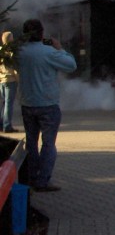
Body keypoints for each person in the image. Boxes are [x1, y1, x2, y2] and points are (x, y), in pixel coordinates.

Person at [17, 19, 77, 192]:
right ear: (42, 33)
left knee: (31, 142)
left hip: (27, 103)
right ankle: (43, 181)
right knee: (49, 143)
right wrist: (60, 48)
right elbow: (71, 65)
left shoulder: (20, 53)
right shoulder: (49, 52)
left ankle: (31, 177)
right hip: (48, 104)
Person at [0, 31, 19, 132]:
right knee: (8, 103)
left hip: (1, 80)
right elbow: (15, 68)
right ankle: (7, 126)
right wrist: (19, 81)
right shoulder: (12, 52)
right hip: (11, 80)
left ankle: (1, 124)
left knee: (3, 103)